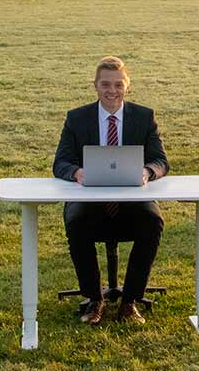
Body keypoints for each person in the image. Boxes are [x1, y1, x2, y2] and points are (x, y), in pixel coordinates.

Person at [52, 55, 169, 325]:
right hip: (89, 200)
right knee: (75, 219)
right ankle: (94, 299)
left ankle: (130, 301)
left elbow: (161, 160)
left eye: (118, 85)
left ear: (127, 86)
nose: (112, 91)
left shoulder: (144, 117)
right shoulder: (77, 118)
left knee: (153, 221)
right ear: (95, 85)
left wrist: (147, 172)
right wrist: (76, 172)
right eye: (105, 84)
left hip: (133, 200)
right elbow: (60, 162)